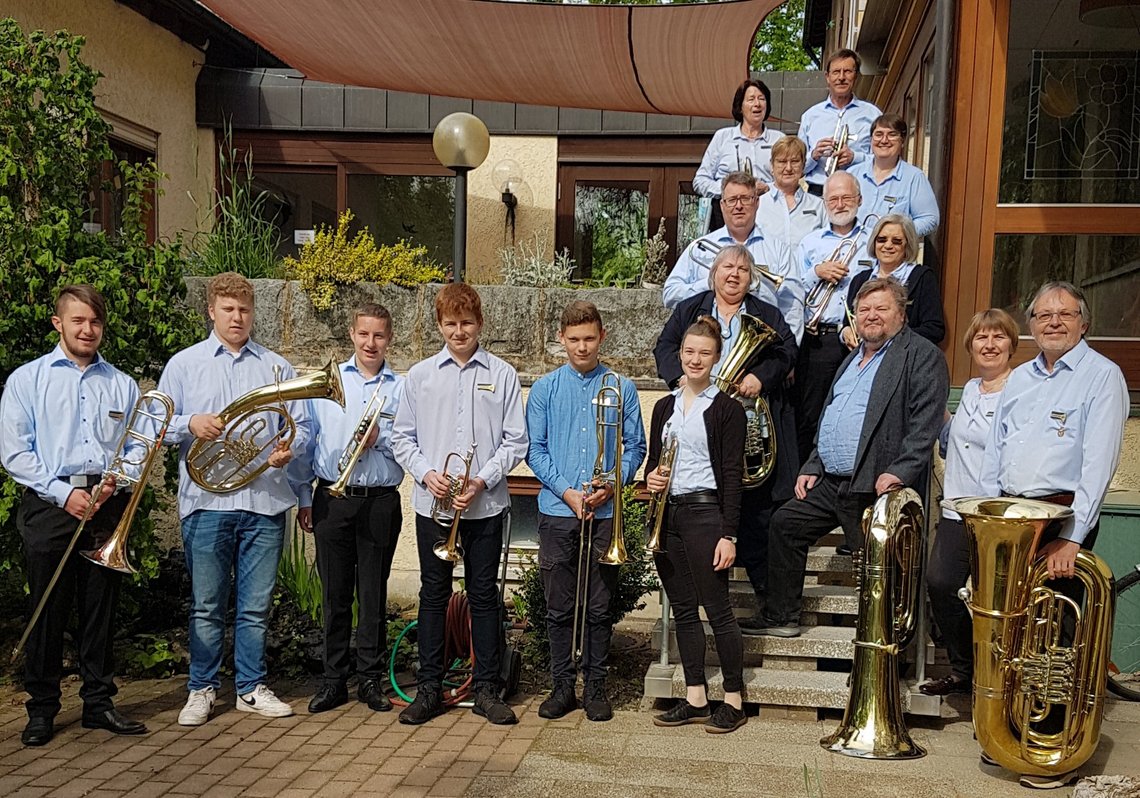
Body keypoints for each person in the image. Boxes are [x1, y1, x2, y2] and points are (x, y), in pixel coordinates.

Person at [978, 282, 1128, 788]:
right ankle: (1012, 732)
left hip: (1063, 517)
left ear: (1083, 321)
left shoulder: (1101, 377)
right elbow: (997, 453)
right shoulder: (1019, 378)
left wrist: (1075, 538)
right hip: (1014, 519)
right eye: (1044, 315)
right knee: (1014, 632)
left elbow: (1098, 464)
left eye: (1065, 314)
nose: (1054, 322)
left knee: (1059, 633)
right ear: (1032, 324)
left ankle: (1055, 746)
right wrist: (991, 517)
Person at [159, 272, 311, 725]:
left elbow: (299, 428)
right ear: (211, 311)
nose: (237, 317)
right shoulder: (184, 365)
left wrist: (288, 450)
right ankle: (201, 689)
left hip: (263, 502)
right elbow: (154, 424)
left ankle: (249, 687)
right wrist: (190, 424)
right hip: (206, 505)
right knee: (207, 605)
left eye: (244, 309)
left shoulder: (276, 367)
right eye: (228, 309)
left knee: (255, 605)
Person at [0, 285, 149, 746]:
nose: (88, 329)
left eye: (96, 322)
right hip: (51, 506)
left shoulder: (121, 383)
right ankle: (41, 709)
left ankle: (98, 703)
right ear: (57, 323)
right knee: (48, 609)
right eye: (79, 321)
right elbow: (14, 454)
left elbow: (138, 444)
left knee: (100, 609)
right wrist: (64, 494)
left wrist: (115, 482)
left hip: (106, 502)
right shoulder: (28, 379)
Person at [758, 278, 947, 637]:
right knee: (786, 524)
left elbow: (926, 423)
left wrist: (900, 470)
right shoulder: (851, 360)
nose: (871, 316)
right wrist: (813, 464)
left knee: (882, 572)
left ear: (901, 314)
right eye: (864, 310)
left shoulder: (922, 355)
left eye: (881, 308)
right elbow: (830, 416)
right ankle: (782, 617)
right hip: (832, 481)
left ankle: (890, 649)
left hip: (876, 484)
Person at [391, 283, 529, 726]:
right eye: (450, 323)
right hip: (435, 506)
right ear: (439, 326)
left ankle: (487, 688)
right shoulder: (419, 376)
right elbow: (401, 437)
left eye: (466, 322)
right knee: (433, 595)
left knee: (485, 596)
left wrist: (483, 478)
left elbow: (517, 440)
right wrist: (427, 473)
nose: (458, 331)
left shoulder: (503, 374)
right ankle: (430, 688)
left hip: (485, 505)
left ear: (480, 324)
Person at [654, 245, 798, 634]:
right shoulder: (689, 308)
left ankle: (775, 606)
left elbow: (787, 353)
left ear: (751, 277)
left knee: (755, 518)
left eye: (742, 269)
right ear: (713, 273)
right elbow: (664, 347)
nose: (734, 274)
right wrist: (679, 378)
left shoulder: (766, 314)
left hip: (747, 422)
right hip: (701, 425)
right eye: (727, 267)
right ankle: (702, 605)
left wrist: (761, 377)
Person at [526, 301, 646, 722]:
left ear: (602, 337)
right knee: (558, 607)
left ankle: (595, 686)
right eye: (574, 339)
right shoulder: (544, 389)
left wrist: (613, 483)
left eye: (589, 338)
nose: (582, 347)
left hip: (605, 512)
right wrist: (568, 493)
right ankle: (562, 687)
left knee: (598, 606)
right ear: (561, 339)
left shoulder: (621, 387)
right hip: (558, 510)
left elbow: (637, 448)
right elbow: (534, 452)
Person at [293, 304, 404, 714]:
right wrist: (305, 497)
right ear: (351, 334)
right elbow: (307, 443)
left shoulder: (400, 388)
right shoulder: (329, 382)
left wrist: (382, 438)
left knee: (373, 594)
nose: (370, 343)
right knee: (335, 595)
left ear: (388, 339)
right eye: (363, 334)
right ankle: (333, 680)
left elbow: (410, 445)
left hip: (379, 502)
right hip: (332, 499)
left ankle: (371, 680)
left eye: (378, 336)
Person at [648, 315, 748, 733]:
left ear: (716, 358)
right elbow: (655, 461)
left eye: (704, 353)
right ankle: (695, 696)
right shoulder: (664, 406)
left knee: (718, 611)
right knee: (684, 611)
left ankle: (734, 699)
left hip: (707, 514)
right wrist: (652, 476)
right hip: (669, 514)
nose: (695, 359)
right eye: (689, 351)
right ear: (680, 354)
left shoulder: (726, 409)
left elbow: (731, 475)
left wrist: (729, 534)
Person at [920, 309, 1018, 698]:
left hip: (998, 514)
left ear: (1012, 344)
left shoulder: (1020, 390)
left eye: (998, 338)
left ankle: (996, 680)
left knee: (994, 599)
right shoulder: (971, 389)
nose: (989, 345)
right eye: (981, 338)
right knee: (941, 584)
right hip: (957, 510)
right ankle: (963, 669)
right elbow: (951, 437)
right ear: (970, 346)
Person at [664, 170, 804, 345]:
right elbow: (670, 295)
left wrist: (789, 352)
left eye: (745, 199)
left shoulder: (779, 250)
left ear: (757, 202)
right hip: (706, 348)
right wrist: (709, 284)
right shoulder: (700, 248)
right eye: (732, 200)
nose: (738, 206)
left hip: (762, 351)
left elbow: (793, 307)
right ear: (722, 205)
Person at [794, 171, 873, 463]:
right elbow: (791, 289)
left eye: (846, 198)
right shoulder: (810, 242)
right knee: (811, 415)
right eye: (833, 199)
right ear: (825, 202)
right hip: (819, 339)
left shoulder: (871, 241)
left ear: (859, 200)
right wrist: (816, 272)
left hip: (860, 341)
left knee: (855, 413)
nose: (840, 204)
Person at [843, 213, 945, 346]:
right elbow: (847, 322)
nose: (888, 245)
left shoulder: (922, 277)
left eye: (896, 241)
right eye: (882, 240)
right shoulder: (860, 279)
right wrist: (846, 332)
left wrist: (890, 340)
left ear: (907, 245)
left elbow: (934, 329)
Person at [694, 78, 781, 231]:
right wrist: (730, 191)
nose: (757, 104)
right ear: (740, 107)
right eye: (751, 99)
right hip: (726, 215)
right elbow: (700, 180)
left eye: (762, 99)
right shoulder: (722, 137)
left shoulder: (779, 139)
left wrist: (768, 188)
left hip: (767, 213)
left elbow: (790, 181)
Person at [798, 48, 883, 194]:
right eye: (836, 72)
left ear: (856, 76)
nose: (841, 77)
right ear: (827, 77)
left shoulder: (873, 115)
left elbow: (884, 161)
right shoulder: (810, 116)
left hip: (859, 192)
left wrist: (855, 157)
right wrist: (813, 155)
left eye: (848, 71)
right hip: (818, 194)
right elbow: (797, 167)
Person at [849, 114, 940, 237]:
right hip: (852, 250)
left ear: (902, 141)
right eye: (879, 134)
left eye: (892, 135)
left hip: (891, 252)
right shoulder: (852, 174)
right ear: (871, 140)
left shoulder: (914, 177)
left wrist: (897, 234)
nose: (884, 140)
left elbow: (930, 219)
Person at [755, 136, 826, 251]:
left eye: (794, 161)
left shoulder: (819, 206)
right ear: (772, 166)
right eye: (782, 161)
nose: (788, 168)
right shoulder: (757, 205)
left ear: (803, 166)